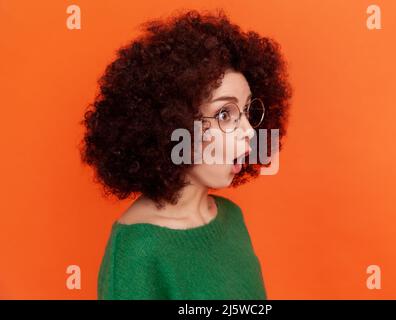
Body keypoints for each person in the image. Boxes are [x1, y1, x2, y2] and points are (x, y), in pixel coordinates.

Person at [79, 8, 292, 299]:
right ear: (171, 123)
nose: (251, 132)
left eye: (247, 112)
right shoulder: (137, 253)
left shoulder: (231, 218)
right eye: (225, 114)